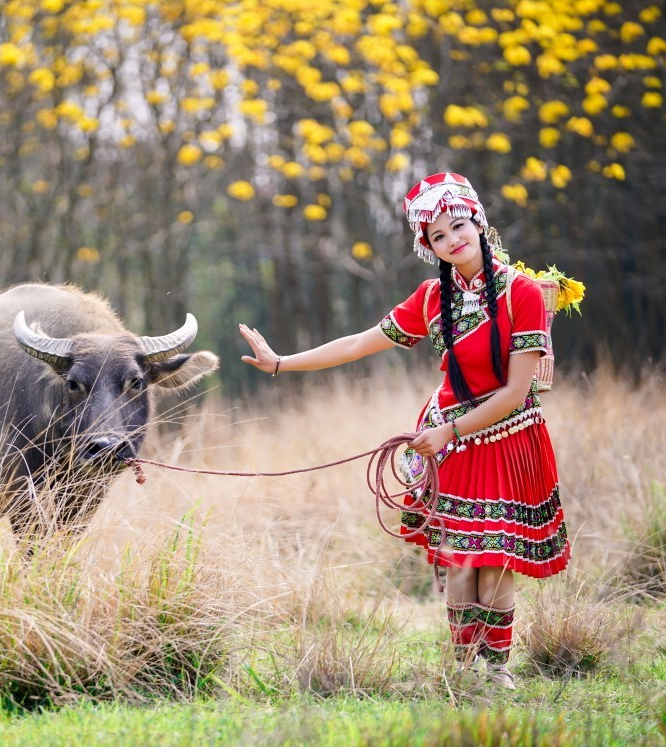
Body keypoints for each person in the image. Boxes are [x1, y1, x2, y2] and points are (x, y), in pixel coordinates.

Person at [238, 172, 571, 690]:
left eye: (458, 226)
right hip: (450, 444)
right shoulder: (431, 298)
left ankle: (496, 669)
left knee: (496, 562)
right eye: (438, 236)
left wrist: (452, 431)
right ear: (428, 246)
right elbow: (357, 344)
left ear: (478, 223)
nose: (452, 240)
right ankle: (463, 674)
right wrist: (282, 363)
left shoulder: (520, 293)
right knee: (461, 559)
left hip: (506, 439)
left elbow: (511, 393)